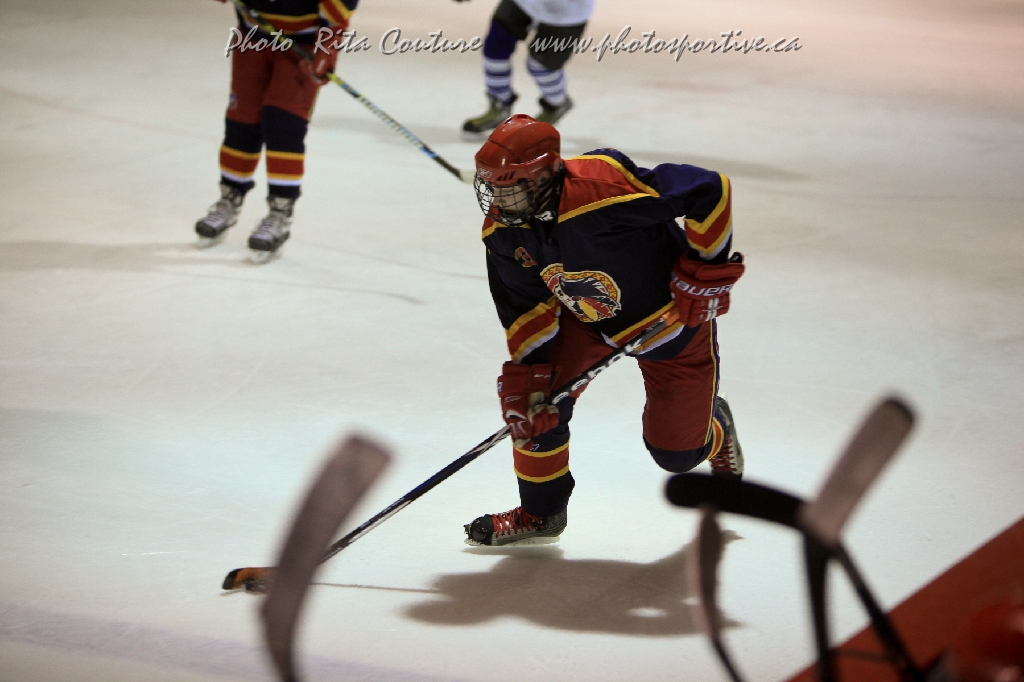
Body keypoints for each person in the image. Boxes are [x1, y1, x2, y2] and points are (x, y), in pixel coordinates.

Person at [465, 114, 746, 546]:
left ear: (545, 175)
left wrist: (705, 269)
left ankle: (717, 428)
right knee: (535, 405)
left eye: (511, 187)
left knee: (676, 456)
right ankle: (541, 513)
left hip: (670, 327)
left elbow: (709, 190)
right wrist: (533, 379)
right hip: (585, 322)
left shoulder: (601, 186)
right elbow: (526, 309)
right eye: (492, 187)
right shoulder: (504, 233)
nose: (499, 200)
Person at [195, 0, 357, 261]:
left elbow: (339, 12)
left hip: (301, 45)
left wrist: (328, 48)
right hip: (253, 37)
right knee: (242, 121)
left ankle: (280, 211)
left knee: (284, 124)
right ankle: (229, 198)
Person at [455, 0, 594, 134]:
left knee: (541, 67)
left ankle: (557, 104)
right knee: (495, 49)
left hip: (564, 13)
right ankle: (499, 104)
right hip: (523, 3)